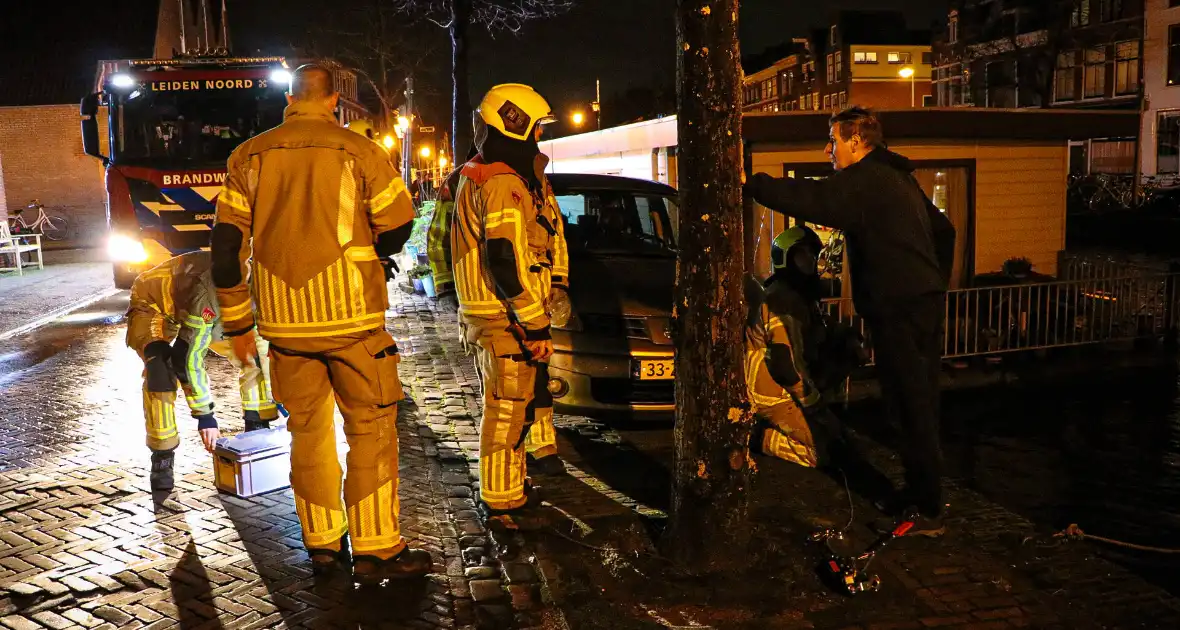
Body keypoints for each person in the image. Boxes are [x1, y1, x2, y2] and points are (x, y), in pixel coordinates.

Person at [211, 64, 431, 582]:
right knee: (371, 429)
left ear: (290, 99)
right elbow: (399, 222)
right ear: (334, 100)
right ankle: (378, 549)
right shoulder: (357, 150)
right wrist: (372, 251)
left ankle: (322, 544)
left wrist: (240, 324)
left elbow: (224, 250)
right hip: (352, 317)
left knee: (307, 432)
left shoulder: (248, 155)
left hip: (285, 325)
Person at [744, 106, 956, 537]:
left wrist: (755, 185)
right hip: (922, 301)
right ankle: (921, 493)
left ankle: (927, 507)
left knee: (908, 402)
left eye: (833, 140)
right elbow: (946, 230)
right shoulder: (899, 179)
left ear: (857, 140)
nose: (829, 149)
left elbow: (814, 198)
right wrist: (933, 280)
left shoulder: (866, 181)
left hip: (899, 304)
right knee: (919, 398)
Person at [452, 83, 572, 526]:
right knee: (506, 409)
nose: (539, 137)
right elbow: (504, 259)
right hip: (503, 316)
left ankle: (511, 486)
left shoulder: (503, 176)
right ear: (517, 125)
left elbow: (544, 237)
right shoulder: (501, 182)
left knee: (517, 404)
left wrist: (556, 283)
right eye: (536, 128)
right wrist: (534, 322)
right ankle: (502, 500)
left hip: (506, 314)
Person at [125, 251, 278, 492]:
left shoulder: (272, 287)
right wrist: (205, 416)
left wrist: (283, 395)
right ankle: (162, 456)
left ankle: (257, 430)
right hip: (155, 304)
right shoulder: (210, 291)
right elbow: (188, 357)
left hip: (209, 311)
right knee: (160, 369)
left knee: (255, 357)